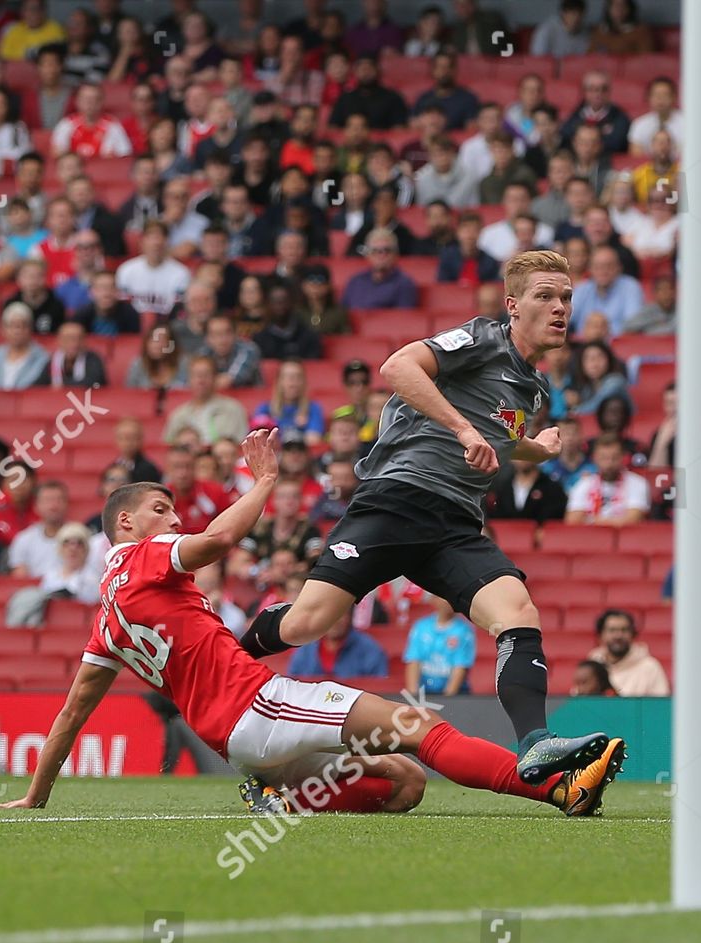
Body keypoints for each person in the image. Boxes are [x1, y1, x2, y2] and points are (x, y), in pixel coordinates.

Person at [0, 432, 625, 819]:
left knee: (402, 786)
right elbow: (219, 538)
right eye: (160, 509)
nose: (172, 518)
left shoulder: (106, 620)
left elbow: (71, 716)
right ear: (124, 525)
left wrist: (37, 795)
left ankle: (280, 799)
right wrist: (265, 480)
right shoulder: (143, 557)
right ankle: (559, 791)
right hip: (261, 705)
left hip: (232, 741)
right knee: (419, 727)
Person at [235, 251, 616, 785]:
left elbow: (498, 435)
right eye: (545, 296)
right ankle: (222, 658)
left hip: (455, 525)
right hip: (397, 499)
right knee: (306, 623)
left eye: (567, 297)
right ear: (513, 305)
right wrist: (463, 431)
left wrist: (536, 449)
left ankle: (535, 743)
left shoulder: (533, 387)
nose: (560, 308)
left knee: (518, 612)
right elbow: (397, 367)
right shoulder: (485, 337)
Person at [564, 436, 650, 526]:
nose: (609, 463)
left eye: (614, 457)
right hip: (589, 538)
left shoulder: (637, 483)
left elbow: (633, 519)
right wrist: (614, 521)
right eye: (604, 458)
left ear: (623, 457)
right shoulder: (583, 484)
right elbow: (572, 521)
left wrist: (591, 521)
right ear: (595, 458)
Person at [164, 356, 249, 446]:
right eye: (196, 375)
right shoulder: (178, 414)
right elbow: (169, 449)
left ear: (215, 378)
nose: (201, 381)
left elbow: (242, 447)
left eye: (206, 375)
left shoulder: (233, 409)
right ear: (189, 380)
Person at [404, 597, 476, 697]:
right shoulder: (421, 626)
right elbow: (413, 661)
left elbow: (460, 667)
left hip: (456, 695)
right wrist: (413, 696)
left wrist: (447, 699)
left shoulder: (464, 630)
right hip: (424, 691)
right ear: (433, 599)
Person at [586, 610, 668, 697]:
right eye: (612, 630)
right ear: (601, 635)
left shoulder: (650, 667)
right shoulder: (592, 667)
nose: (618, 636)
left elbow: (660, 706)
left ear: (633, 634)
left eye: (624, 630)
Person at [288, 609, 388, 679]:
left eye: (341, 614)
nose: (335, 621)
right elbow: (294, 686)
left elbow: (379, 690)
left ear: (350, 617)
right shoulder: (305, 648)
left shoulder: (370, 650)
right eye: (329, 615)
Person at [0, 302, 48, 391]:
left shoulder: (43, 358)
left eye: (23, 325)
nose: (17, 331)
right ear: (3, 329)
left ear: (30, 328)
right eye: (12, 326)